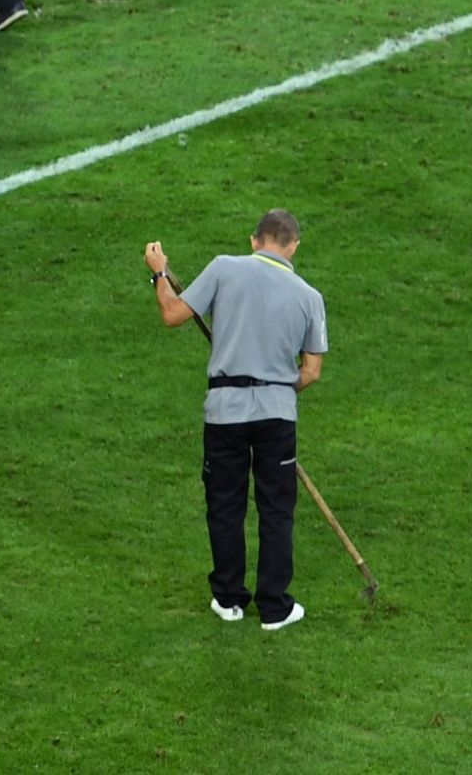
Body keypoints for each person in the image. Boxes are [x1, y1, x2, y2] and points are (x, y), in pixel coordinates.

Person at [143, 209, 327, 631]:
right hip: (277, 416)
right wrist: (276, 390)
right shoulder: (310, 296)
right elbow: (311, 372)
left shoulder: (225, 268)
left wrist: (159, 273)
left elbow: (172, 315)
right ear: (294, 246)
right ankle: (276, 609)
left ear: (253, 240)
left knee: (225, 505)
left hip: (224, 412)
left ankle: (229, 599)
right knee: (276, 511)